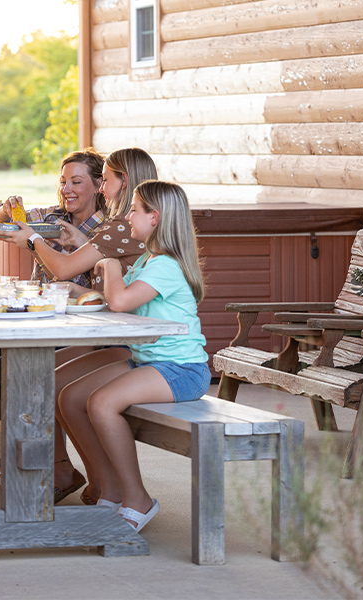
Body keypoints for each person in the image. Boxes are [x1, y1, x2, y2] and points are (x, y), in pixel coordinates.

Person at [0, 147, 158, 503]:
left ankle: (100, 480)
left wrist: (34, 240)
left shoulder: (119, 224)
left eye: (108, 180)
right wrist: (84, 244)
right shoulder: (122, 225)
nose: (102, 188)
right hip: (123, 332)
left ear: (124, 181)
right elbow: (119, 267)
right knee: (36, 373)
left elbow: (65, 268)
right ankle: (89, 477)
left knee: (46, 380)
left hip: (133, 340)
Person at [0, 149, 106, 486]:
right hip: (35, 322)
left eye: (76, 182)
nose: (67, 189)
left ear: (99, 185)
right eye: (63, 182)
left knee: (8, 366)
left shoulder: (106, 231)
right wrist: (5, 208)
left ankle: (49, 463)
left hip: (78, 331)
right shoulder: (48, 217)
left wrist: (35, 241)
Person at [58, 180, 209, 532]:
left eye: (135, 209)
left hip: (181, 369)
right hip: (149, 360)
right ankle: (109, 491)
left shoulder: (166, 265)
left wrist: (110, 265)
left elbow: (120, 301)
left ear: (154, 217)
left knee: (101, 403)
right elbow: (121, 302)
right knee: (71, 397)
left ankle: (138, 498)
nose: (127, 215)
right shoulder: (147, 259)